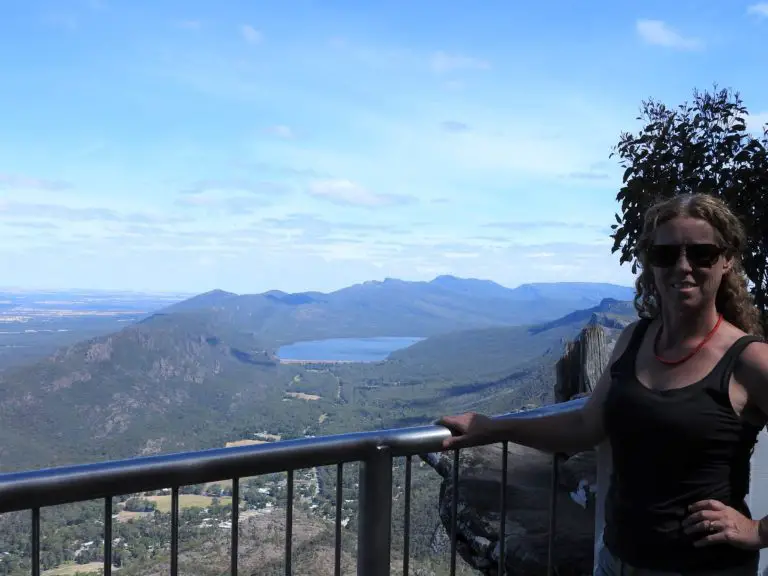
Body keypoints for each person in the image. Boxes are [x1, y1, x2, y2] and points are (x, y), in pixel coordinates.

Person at [439, 193, 768, 575]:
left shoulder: (748, 359)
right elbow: (585, 426)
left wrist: (757, 530)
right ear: (651, 264)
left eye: (701, 253)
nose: (683, 266)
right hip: (617, 560)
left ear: (726, 260)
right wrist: (493, 428)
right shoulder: (635, 339)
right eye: (666, 254)